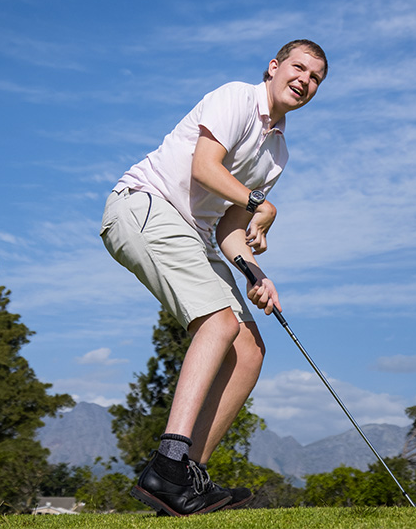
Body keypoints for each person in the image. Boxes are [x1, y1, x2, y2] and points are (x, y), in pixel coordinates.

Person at [100, 39, 328, 516]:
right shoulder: (236, 98)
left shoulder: (278, 152)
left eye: (315, 79)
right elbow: (205, 169)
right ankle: (168, 463)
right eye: (299, 68)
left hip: (195, 234)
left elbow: (228, 225)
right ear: (274, 67)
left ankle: (187, 481)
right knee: (219, 323)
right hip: (147, 206)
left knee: (248, 350)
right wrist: (260, 206)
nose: (305, 81)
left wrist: (254, 270)